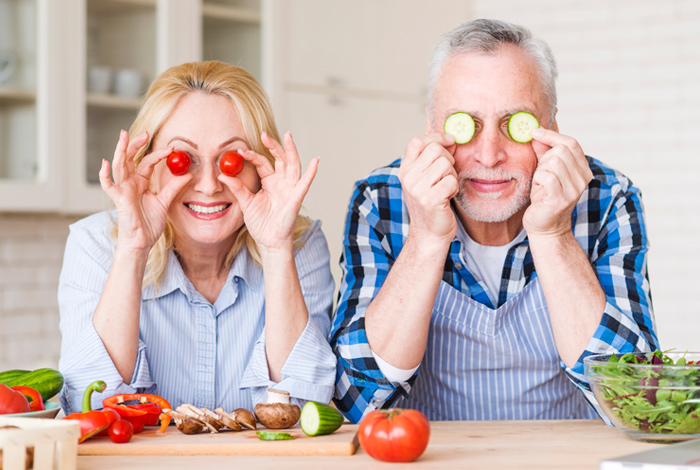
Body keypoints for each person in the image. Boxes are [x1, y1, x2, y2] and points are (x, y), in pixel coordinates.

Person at [331, 19, 658, 423]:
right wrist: (425, 240)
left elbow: (637, 402)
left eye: (515, 124)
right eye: (464, 125)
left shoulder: (607, 198)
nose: (489, 155)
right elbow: (353, 403)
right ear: (432, 127)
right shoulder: (380, 201)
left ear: (552, 126)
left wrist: (553, 233)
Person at [58, 61, 336, 414]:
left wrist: (277, 247)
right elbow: (91, 409)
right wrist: (133, 248)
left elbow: (305, 409)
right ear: (148, 166)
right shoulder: (96, 244)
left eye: (231, 159)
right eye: (181, 159)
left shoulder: (299, 245)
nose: (208, 185)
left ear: (259, 169)